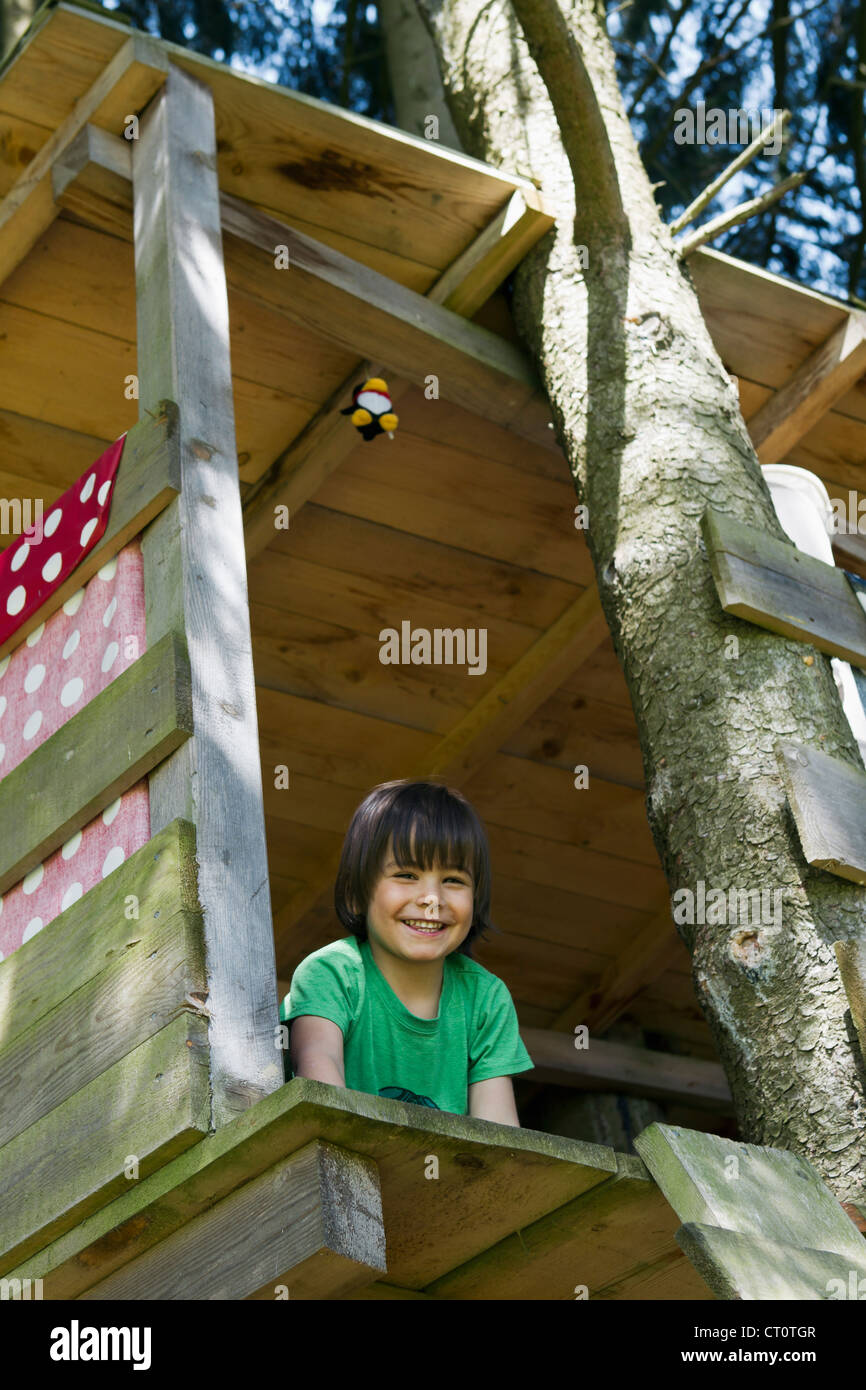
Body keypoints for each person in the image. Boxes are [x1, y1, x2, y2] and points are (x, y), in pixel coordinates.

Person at [279, 779, 533, 1125]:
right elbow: (322, 1094)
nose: (432, 899)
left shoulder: (486, 999)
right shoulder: (332, 974)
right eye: (406, 874)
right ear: (356, 893)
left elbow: (501, 1137)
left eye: (454, 880)